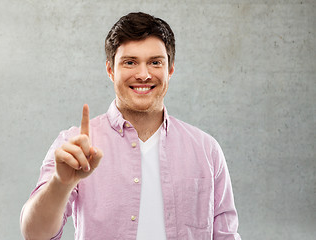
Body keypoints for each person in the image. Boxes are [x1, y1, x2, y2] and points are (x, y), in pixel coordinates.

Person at [20, 12, 241, 240]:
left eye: (155, 62)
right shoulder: (74, 147)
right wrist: (61, 183)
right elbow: (34, 234)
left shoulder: (207, 150)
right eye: (130, 62)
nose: (143, 75)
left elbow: (226, 235)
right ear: (110, 70)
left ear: (170, 69)